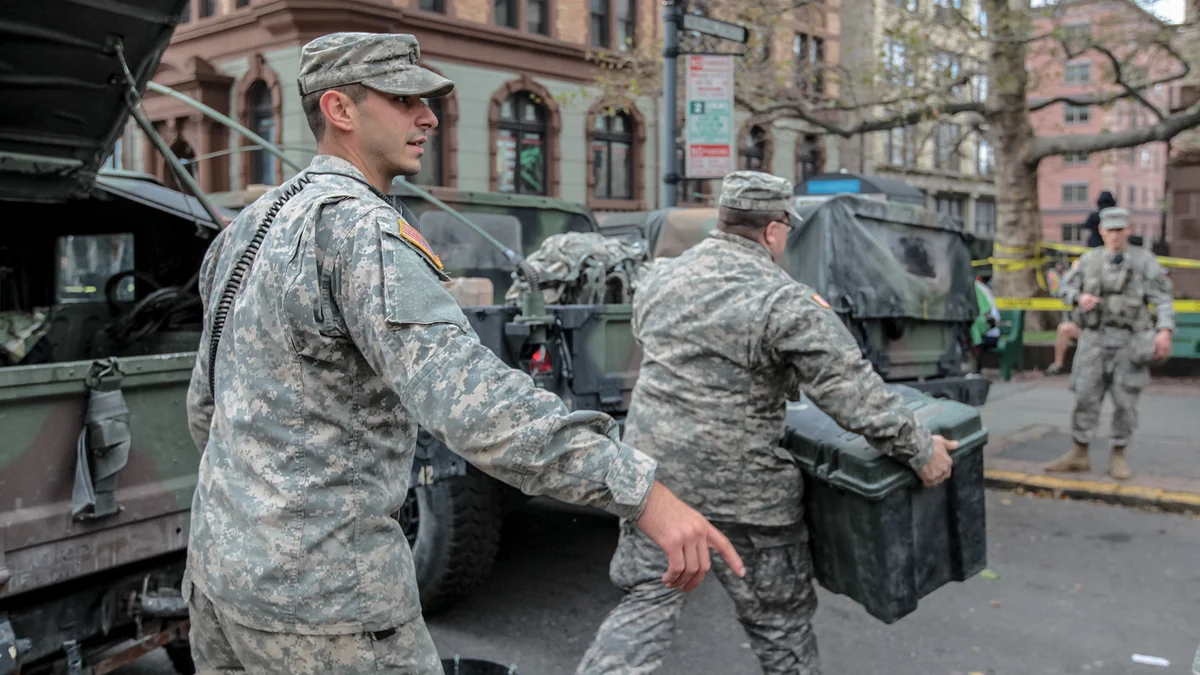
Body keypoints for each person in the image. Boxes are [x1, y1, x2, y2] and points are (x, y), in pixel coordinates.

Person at [182, 32, 743, 674]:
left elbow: (207, 407)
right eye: (403, 99)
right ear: (340, 110)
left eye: (429, 101)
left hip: (220, 578)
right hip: (326, 607)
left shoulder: (248, 228)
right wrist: (644, 495)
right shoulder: (362, 233)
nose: (429, 116)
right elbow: (476, 408)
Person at [574, 171, 958, 675]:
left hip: (654, 486)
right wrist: (922, 450)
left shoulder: (660, 278)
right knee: (782, 630)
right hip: (749, 498)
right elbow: (856, 398)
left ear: (724, 218)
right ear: (775, 230)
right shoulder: (785, 300)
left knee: (646, 604)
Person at [1046, 207, 1174, 480]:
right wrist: (1079, 298)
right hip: (1093, 339)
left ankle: (1119, 454)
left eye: (1120, 230)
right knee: (1084, 395)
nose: (1115, 235)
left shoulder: (1144, 262)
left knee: (1125, 401)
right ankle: (1079, 452)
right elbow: (1064, 289)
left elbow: (1163, 299)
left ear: (1128, 230)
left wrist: (1164, 331)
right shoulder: (1089, 261)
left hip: (1129, 341)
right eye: (1110, 230)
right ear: (1101, 231)